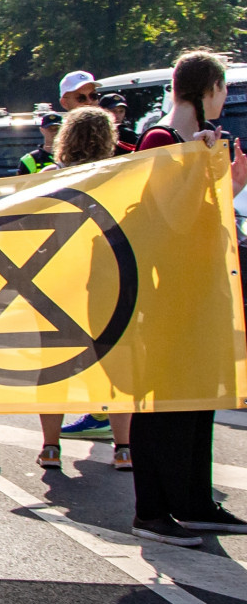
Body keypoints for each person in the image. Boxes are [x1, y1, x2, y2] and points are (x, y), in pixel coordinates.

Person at [126, 50, 247, 544]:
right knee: (165, 405)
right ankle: (153, 511)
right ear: (209, 89)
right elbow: (166, 219)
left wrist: (223, 179)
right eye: (221, 91)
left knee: (198, 397)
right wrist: (213, 176)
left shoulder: (192, 142)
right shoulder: (159, 139)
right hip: (165, 295)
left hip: (191, 290)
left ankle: (194, 500)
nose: (223, 101)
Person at [35, 107, 133, 473]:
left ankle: (50, 447)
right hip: (107, 278)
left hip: (54, 280)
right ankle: (123, 448)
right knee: (113, 360)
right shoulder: (118, 176)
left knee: (52, 365)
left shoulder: (48, 176)